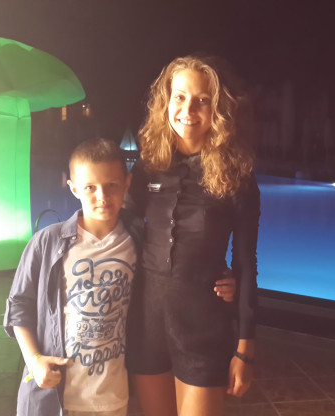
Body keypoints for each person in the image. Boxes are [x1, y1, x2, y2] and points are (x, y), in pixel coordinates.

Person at [3, 138, 235, 416]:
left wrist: (223, 278)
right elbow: (19, 305)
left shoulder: (138, 241)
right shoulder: (47, 243)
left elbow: (175, 265)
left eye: (111, 185)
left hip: (112, 397)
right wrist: (34, 360)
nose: (102, 196)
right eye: (90, 187)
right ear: (74, 188)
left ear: (127, 184)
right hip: (55, 398)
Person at [126, 55, 260, 416]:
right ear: (166, 102)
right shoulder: (149, 166)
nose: (188, 110)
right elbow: (121, 228)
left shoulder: (237, 177)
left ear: (218, 109)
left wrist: (245, 348)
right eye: (180, 97)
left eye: (202, 100)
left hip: (204, 324)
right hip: (147, 320)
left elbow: (246, 262)